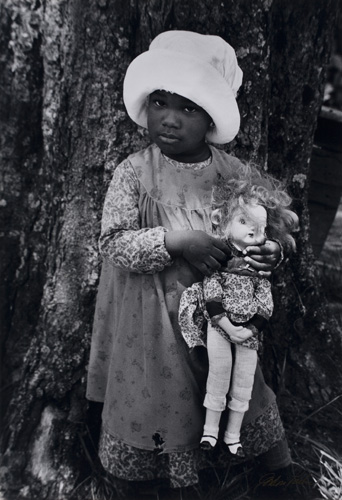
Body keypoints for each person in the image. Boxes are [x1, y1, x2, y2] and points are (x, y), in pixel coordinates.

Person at [86, 30, 296, 499]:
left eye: (188, 108)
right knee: (158, 399)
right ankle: (159, 483)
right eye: (160, 103)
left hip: (222, 316)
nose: (170, 119)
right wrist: (178, 241)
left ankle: (275, 477)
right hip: (151, 323)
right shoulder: (134, 173)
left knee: (246, 387)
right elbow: (114, 242)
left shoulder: (233, 175)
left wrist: (271, 251)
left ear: (211, 117)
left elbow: (269, 225)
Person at [179, 167, 298, 459]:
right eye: (243, 221)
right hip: (220, 327)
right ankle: (210, 430)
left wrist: (251, 328)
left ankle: (232, 436)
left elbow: (264, 301)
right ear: (223, 222)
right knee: (218, 374)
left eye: (259, 229)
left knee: (243, 381)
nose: (250, 231)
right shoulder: (221, 260)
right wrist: (224, 324)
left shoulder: (258, 270)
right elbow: (211, 291)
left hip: (249, 332)